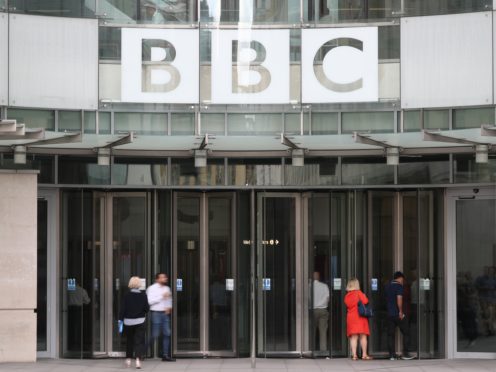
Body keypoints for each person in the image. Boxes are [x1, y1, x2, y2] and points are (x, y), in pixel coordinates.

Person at [119, 276, 149, 369]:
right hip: (140, 321)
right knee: (138, 342)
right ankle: (138, 361)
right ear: (139, 284)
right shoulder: (143, 295)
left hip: (128, 322)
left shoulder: (126, 295)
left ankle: (128, 360)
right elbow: (147, 309)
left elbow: (123, 309)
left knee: (129, 341)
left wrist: (120, 319)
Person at [385, 271, 414, 360]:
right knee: (406, 332)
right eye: (402, 279)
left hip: (389, 313)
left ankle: (391, 355)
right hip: (397, 314)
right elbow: (399, 299)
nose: (403, 281)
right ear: (400, 278)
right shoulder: (399, 286)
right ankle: (405, 353)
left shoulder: (387, 286)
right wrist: (400, 311)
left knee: (390, 335)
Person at [146, 273, 175, 362]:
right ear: (157, 279)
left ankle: (165, 355)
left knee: (167, 333)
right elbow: (149, 302)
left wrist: (169, 307)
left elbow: (169, 299)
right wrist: (161, 296)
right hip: (156, 313)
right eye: (163, 277)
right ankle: (141, 352)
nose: (165, 278)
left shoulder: (167, 288)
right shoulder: (151, 288)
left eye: (165, 277)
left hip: (165, 313)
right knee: (155, 334)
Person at [344, 278, 372, 361]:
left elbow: (347, 304)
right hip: (360, 317)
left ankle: (354, 355)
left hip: (351, 317)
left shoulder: (347, 295)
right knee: (363, 336)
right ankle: (364, 354)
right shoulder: (358, 293)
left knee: (353, 337)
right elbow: (366, 301)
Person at [312, 271, 330, 352]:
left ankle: (311, 349)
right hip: (323, 310)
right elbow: (327, 297)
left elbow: (308, 299)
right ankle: (323, 350)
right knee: (323, 332)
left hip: (313, 311)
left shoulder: (309, 286)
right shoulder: (324, 286)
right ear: (319, 277)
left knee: (312, 331)